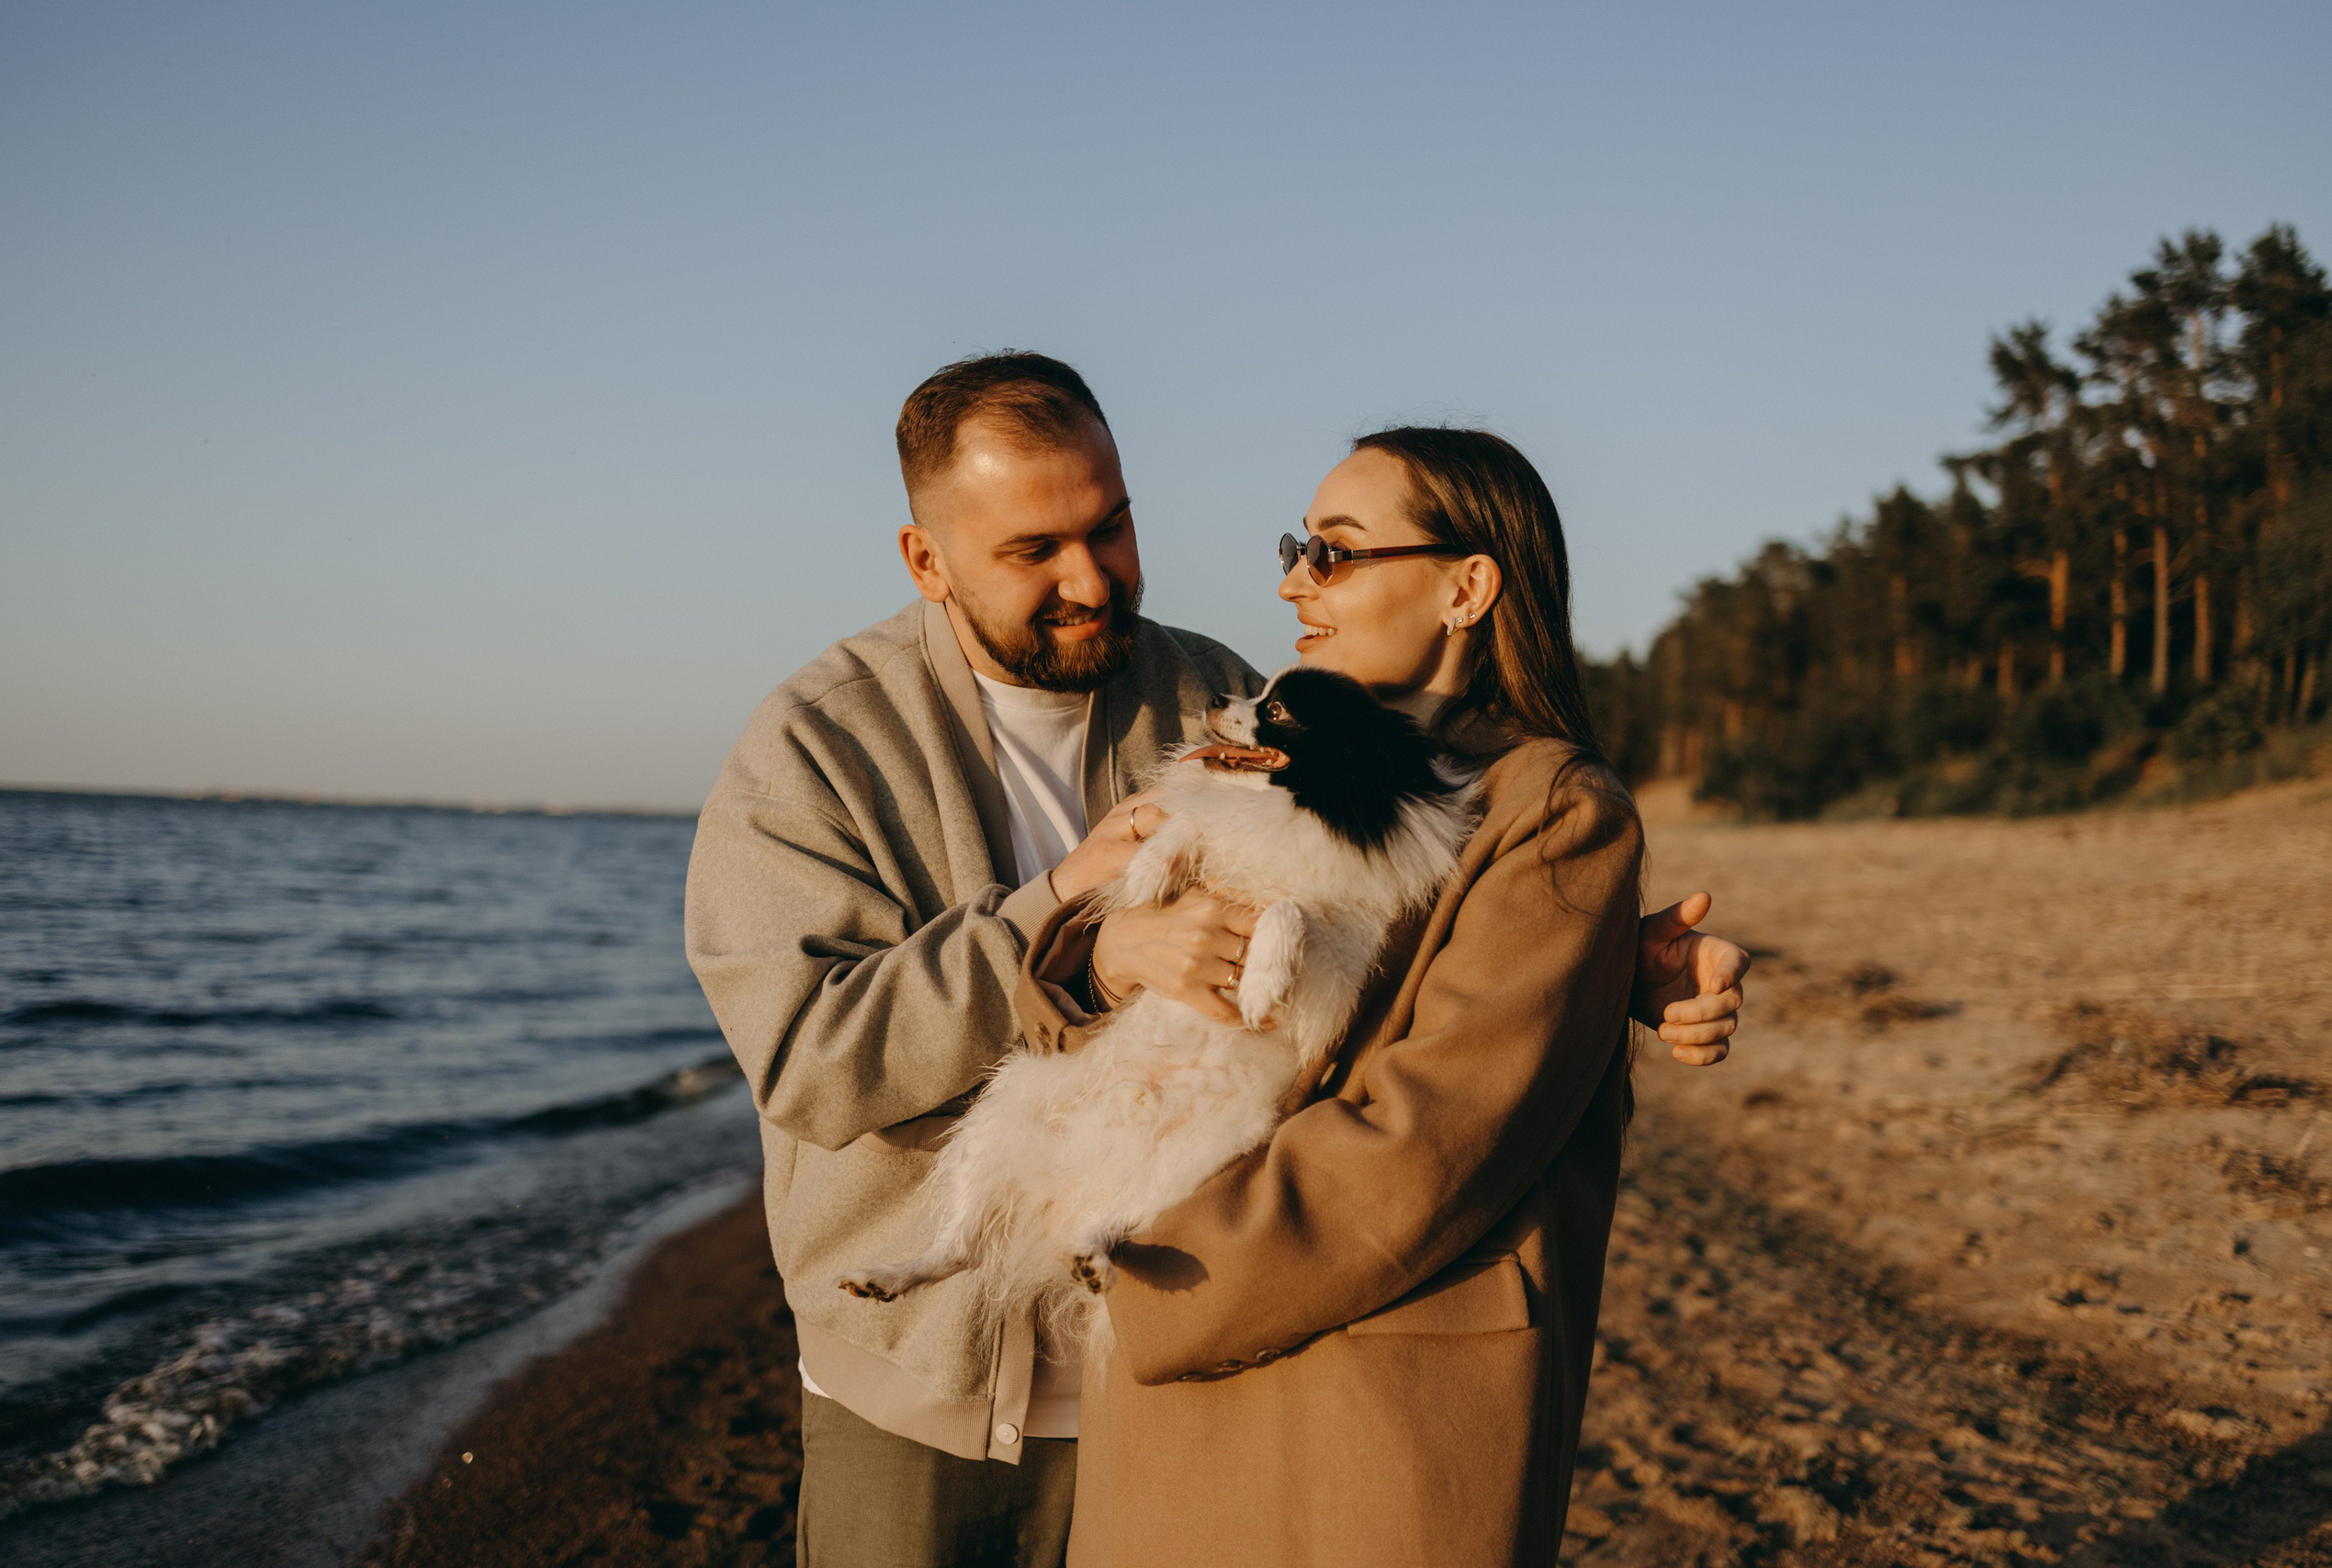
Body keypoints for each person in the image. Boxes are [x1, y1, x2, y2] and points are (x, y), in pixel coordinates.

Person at [684, 355, 1747, 1568]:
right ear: (928, 560)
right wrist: (1076, 940)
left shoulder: (1226, 690)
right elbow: (810, 1060)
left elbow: (1391, 918)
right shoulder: (815, 747)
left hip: (1188, 1369)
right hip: (927, 1385)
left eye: (1113, 525)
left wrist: (1618, 977)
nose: (1092, 576)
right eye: (1035, 550)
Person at [1016, 425, 1665, 1565]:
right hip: (1188, 1380)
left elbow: (1425, 1144)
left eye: (1336, 552)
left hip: (1374, 1393)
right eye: (1298, 546)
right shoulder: (1270, 742)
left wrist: (1151, 1273)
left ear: (1468, 586)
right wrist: (1110, 953)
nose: (1290, 581)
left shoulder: (1552, 807)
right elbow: (1127, 986)